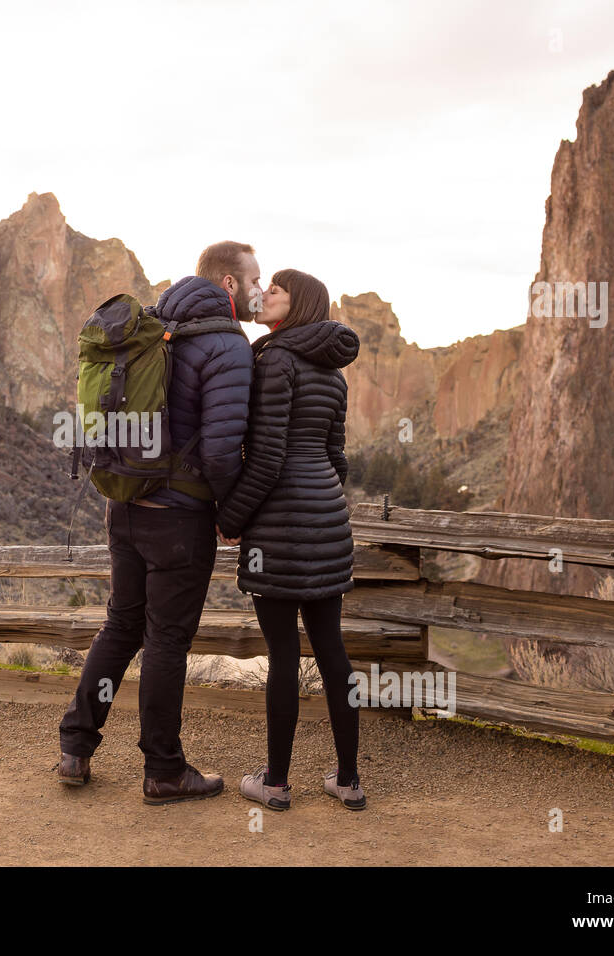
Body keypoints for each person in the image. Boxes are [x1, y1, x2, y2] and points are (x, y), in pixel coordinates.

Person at [57, 241, 257, 804]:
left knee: (120, 626)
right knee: (167, 640)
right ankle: (164, 770)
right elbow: (220, 453)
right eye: (255, 278)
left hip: (124, 504)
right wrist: (231, 512)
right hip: (178, 517)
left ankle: (75, 746)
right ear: (229, 285)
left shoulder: (153, 326)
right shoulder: (226, 345)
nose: (260, 287)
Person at [215, 268, 367, 811]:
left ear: (298, 303)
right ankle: (348, 781)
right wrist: (319, 503)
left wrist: (230, 518)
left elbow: (267, 459)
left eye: (277, 289)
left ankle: (275, 784)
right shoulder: (334, 372)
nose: (266, 294)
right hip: (329, 524)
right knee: (332, 653)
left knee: (283, 655)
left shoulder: (275, 359)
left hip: (278, 530)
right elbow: (337, 459)